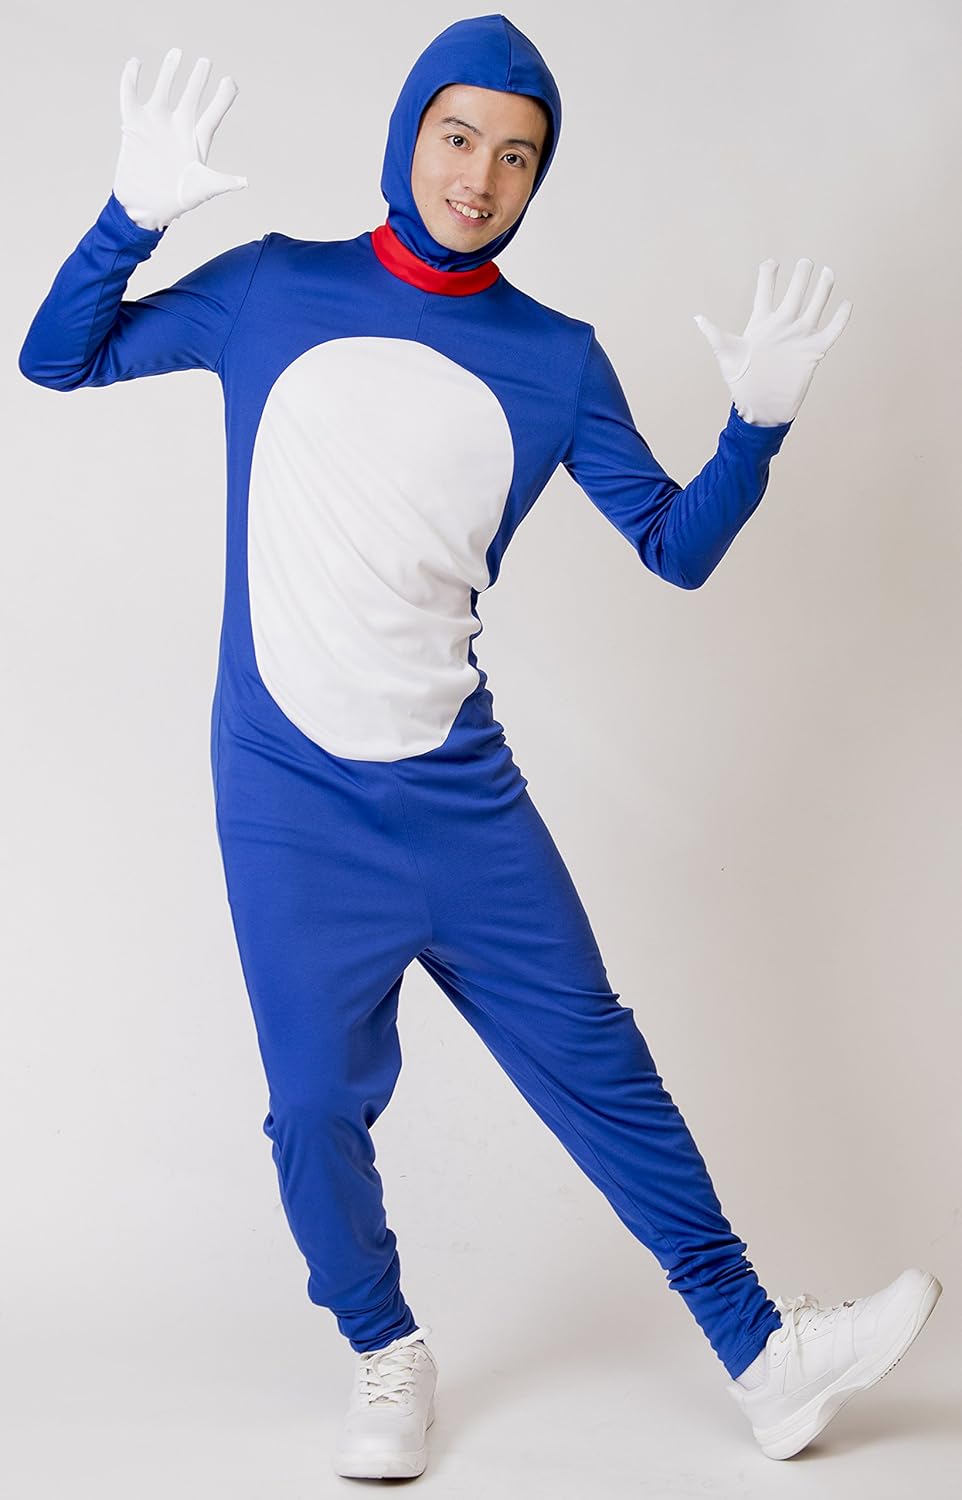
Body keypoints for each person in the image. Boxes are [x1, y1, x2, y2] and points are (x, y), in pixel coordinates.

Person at [19, 13, 941, 1482]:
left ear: (535, 182)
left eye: (515, 157)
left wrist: (754, 430)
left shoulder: (554, 361)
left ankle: (765, 1357)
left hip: (461, 798)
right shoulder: (271, 288)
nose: (478, 177)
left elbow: (673, 548)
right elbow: (56, 357)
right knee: (313, 1108)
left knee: (601, 1065)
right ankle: (383, 1348)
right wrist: (131, 213)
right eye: (456, 138)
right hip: (289, 796)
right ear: (407, 140)